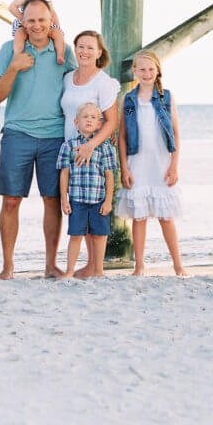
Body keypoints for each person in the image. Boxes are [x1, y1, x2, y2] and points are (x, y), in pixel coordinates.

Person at [0, 0, 75, 279]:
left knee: (52, 200)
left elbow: (80, 89)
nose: (37, 26)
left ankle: (51, 264)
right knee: (11, 201)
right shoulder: (9, 49)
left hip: (55, 136)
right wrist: (14, 67)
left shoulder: (65, 52)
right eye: (31, 21)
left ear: (51, 21)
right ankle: (8, 266)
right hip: (18, 133)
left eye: (42, 20)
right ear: (22, 23)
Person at [115, 49, 187, 277]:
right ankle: (139, 266)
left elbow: (175, 132)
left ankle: (178, 266)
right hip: (137, 162)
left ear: (157, 71)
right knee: (139, 217)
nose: (146, 73)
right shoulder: (128, 99)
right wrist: (124, 167)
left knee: (166, 216)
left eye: (151, 69)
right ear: (134, 71)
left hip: (161, 162)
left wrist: (174, 164)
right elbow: (123, 136)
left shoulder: (167, 96)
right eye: (142, 69)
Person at [59, 29, 120, 276]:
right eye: (80, 46)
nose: (84, 51)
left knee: (96, 214)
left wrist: (91, 145)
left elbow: (112, 121)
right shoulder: (67, 78)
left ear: (99, 53)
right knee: (79, 209)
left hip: (92, 151)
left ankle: (96, 267)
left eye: (90, 48)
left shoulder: (103, 82)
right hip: (72, 151)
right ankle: (89, 266)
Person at [58, 102, 116, 278]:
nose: (89, 120)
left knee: (100, 235)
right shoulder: (68, 146)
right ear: (76, 122)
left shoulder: (105, 147)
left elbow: (109, 176)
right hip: (77, 200)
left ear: (99, 124)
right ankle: (69, 271)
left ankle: (98, 271)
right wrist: (64, 199)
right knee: (75, 235)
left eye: (93, 118)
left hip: (98, 199)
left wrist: (108, 201)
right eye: (85, 117)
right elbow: (64, 174)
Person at [8, 0, 66, 65]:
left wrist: (57, 26)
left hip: (44, 25)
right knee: (19, 34)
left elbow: (53, 13)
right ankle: (17, 55)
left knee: (58, 33)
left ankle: (60, 55)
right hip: (26, 25)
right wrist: (22, 18)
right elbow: (12, 7)